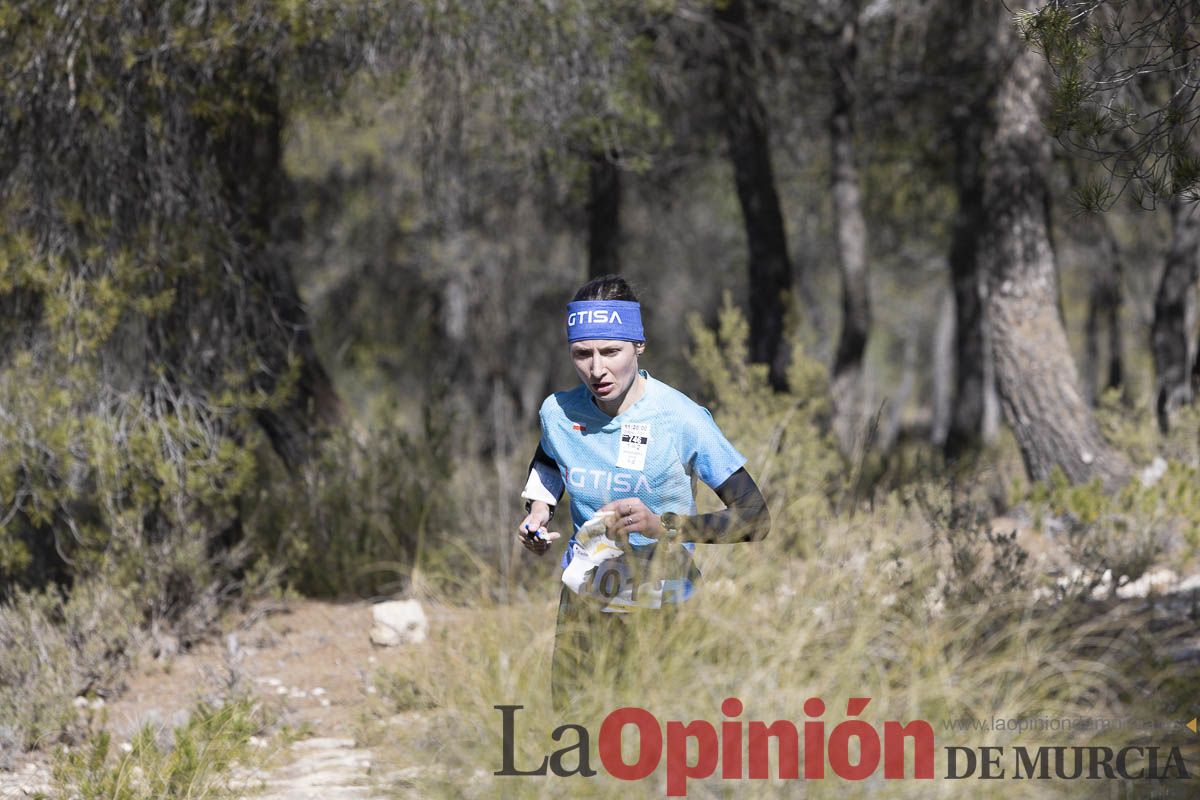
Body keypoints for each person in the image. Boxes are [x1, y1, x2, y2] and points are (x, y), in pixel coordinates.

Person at [516, 274, 770, 710]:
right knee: (575, 735)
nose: (597, 369)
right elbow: (550, 458)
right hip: (584, 599)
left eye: (611, 351)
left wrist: (663, 526)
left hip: (663, 606)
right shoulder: (558, 412)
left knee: (653, 745)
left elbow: (754, 517)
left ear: (639, 346)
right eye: (583, 354)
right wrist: (539, 510)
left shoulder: (682, 418)